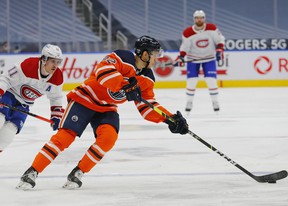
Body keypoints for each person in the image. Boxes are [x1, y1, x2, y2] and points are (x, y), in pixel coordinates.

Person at [16, 35, 189, 190]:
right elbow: (102, 72)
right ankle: (32, 171)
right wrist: (123, 84)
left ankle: (78, 172)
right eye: (155, 54)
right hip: (85, 98)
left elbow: (147, 106)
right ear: (144, 54)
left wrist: (169, 119)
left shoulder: (147, 78)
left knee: (108, 138)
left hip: (107, 107)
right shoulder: (122, 56)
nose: (157, 58)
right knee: (65, 137)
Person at [0, 44, 64, 153]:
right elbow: (6, 78)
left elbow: (56, 97)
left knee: (8, 134)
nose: (55, 65)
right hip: (9, 95)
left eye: (58, 62)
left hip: (24, 104)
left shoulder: (57, 77)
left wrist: (56, 115)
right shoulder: (28, 65)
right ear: (44, 59)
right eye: (53, 61)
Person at [174, 10, 225, 114]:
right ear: (194, 19)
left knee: (211, 80)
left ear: (204, 18)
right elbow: (184, 47)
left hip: (209, 58)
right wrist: (182, 56)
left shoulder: (212, 28)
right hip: (193, 59)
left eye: (201, 17)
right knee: (191, 82)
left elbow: (220, 40)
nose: (199, 19)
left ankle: (215, 102)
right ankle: (189, 102)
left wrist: (219, 51)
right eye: (197, 18)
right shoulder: (187, 32)